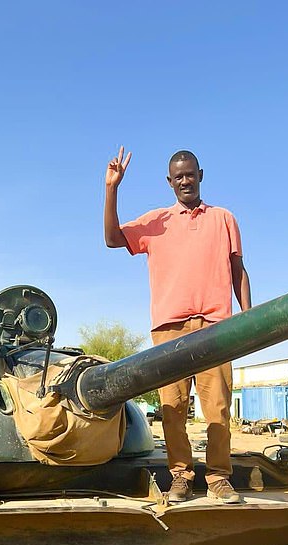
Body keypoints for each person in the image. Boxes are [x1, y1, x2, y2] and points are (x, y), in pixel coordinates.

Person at [104, 147, 252, 503]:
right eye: (178, 176)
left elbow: (238, 270)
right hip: (169, 328)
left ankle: (218, 478)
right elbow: (112, 238)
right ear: (169, 182)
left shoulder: (224, 219)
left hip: (217, 325)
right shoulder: (157, 222)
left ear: (201, 175)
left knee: (217, 408)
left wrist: (249, 319)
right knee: (172, 409)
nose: (185, 180)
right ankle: (181, 477)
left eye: (190, 173)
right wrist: (112, 188)